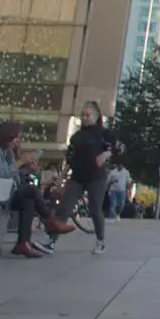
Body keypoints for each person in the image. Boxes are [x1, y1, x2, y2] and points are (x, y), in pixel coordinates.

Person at [0, 122, 74, 257]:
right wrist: (20, 161)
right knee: (31, 191)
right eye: (16, 138)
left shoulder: (7, 152)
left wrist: (24, 167)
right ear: (7, 136)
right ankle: (50, 222)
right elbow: (1, 175)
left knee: (28, 199)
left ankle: (23, 243)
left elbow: (14, 180)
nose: (18, 141)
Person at [46, 101, 116, 255]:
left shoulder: (104, 134)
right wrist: (60, 180)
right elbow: (70, 160)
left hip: (96, 177)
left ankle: (100, 240)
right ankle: (51, 241)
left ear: (96, 116)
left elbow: (117, 148)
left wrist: (106, 154)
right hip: (77, 177)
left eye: (88, 115)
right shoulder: (77, 137)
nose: (84, 118)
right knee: (65, 207)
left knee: (95, 209)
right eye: (83, 115)